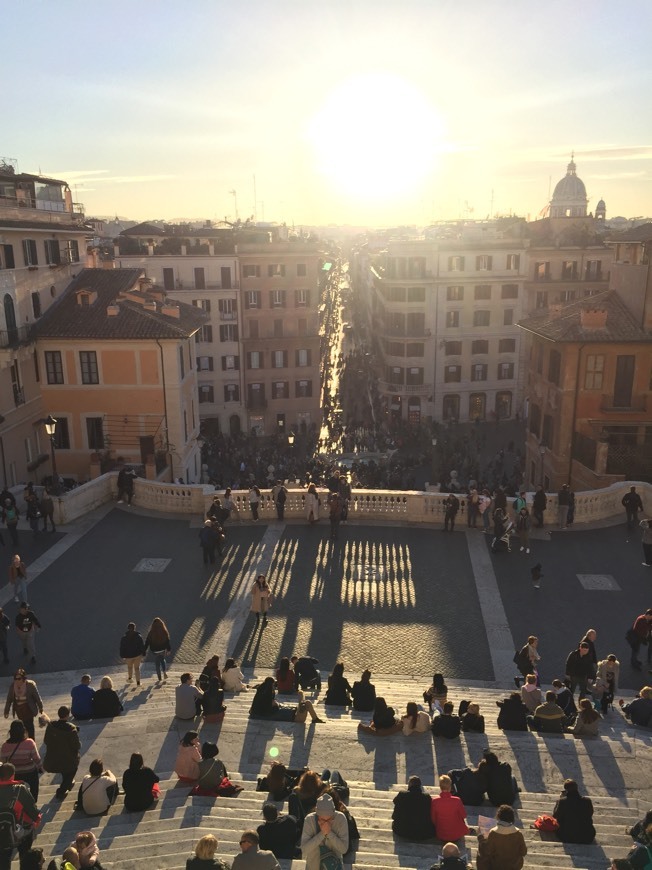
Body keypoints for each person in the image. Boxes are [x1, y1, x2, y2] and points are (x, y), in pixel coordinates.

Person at [0, 762, 41, 868]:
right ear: (13, 775)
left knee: (4, 858)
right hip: (21, 831)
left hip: (2, 832)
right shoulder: (20, 789)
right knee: (25, 854)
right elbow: (33, 813)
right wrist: (37, 820)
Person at [300, 793, 349, 870]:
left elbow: (343, 849)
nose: (326, 823)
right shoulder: (309, 820)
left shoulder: (340, 819)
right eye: (322, 820)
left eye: (329, 819)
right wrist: (322, 834)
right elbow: (305, 849)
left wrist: (329, 833)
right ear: (317, 815)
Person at [43, 706, 80, 800]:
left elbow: (46, 741)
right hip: (67, 760)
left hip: (53, 758)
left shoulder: (51, 726)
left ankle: (68, 782)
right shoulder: (71, 729)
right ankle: (61, 790)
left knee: (65, 769)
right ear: (68, 715)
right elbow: (77, 746)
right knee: (73, 769)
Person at [0, 720, 42, 802]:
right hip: (29, 771)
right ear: (23, 731)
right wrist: (41, 768)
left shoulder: (5, 746)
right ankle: (33, 801)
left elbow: (3, 762)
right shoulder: (30, 743)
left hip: (14, 774)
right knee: (34, 785)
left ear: (11, 732)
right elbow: (36, 759)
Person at [476, 804, 527, 870]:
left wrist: (480, 837)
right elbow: (523, 852)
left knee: (480, 853)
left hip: (497, 866)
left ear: (498, 816)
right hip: (514, 867)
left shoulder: (493, 833)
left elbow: (487, 852)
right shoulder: (518, 833)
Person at [249, 678, 322, 723]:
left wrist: (275, 704)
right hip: (296, 717)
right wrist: (275, 704)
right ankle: (314, 718)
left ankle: (314, 718)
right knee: (305, 701)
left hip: (293, 714)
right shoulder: (269, 708)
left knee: (305, 701)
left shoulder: (261, 700)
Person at [430, 775, 473, 848]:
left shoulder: (434, 801)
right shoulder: (457, 800)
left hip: (441, 834)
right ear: (450, 786)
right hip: (456, 835)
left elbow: (433, 819)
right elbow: (464, 815)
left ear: (440, 787)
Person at [391, 775, 435, 840]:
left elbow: (395, 803)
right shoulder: (426, 797)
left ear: (409, 785)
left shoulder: (402, 794)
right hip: (424, 833)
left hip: (402, 831)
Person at [553, 779, 595, 844]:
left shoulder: (563, 801)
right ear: (577, 788)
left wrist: (560, 799)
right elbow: (590, 814)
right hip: (587, 837)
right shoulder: (587, 801)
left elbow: (555, 815)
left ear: (566, 790)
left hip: (567, 837)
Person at [4, 669, 43, 740]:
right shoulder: (13, 686)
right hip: (19, 710)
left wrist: (40, 707)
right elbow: (9, 700)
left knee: (30, 726)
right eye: (15, 679)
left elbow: (37, 697)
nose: (17, 681)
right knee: (23, 726)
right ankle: (24, 741)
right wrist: (6, 711)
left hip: (28, 709)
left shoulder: (30, 685)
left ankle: (31, 741)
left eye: (19, 679)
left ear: (23, 678)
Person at [144, 617, 171, 682]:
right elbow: (167, 641)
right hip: (162, 650)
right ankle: (164, 672)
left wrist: (144, 650)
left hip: (154, 651)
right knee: (162, 659)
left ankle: (159, 678)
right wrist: (168, 649)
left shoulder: (151, 632)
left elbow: (147, 642)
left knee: (157, 664)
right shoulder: (164, 631)